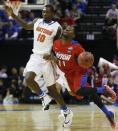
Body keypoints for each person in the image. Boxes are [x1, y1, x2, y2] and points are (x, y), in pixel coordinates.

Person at [4, 4, 73, 127]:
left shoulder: (57, 27)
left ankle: (66, 110)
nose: (44, 13)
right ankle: (43, 97)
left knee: (53, 90)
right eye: (43, 11)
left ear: (52, 13)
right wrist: (13, 15)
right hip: (36, 57)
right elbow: (25, 26)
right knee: (28, 79)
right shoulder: (37, 21)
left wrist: (52, 56)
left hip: (47, 60)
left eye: (47, 12)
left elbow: (58, 46)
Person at [45, 25, 116, 129]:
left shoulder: (77, 47)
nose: (67, 29)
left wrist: (88, 64)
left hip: (79, 71)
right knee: (80, 94)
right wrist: (52, 58)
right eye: (65, 28)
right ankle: (108, 113)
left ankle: (103, 89)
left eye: (70, 29)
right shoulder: (56, 44)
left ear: (73, 35)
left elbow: (86, 61)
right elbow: (57, 57)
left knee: (79, 90)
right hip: (67, 74)